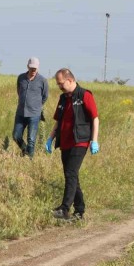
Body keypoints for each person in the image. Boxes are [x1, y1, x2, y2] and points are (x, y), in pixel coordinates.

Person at [45, 68, 99, 221]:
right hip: (65, 142)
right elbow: (58, 121)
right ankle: (79, 211)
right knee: (72, 175)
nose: (59, 86)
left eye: (61, 83)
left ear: (69, 80)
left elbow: (95, 118)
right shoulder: (63, 99)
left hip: (80, 141)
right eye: (58, 84)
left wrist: (94, 140)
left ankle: (64, 208)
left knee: (70, 174)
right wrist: (50, 138)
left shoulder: (84, 95)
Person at [13, 57, 48, 158]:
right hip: (20, 113)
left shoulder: (43, 80)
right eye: (31, 68)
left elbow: (45, 96)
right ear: (27, 66)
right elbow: (19, 92)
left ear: (38, 68)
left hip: (34, 114)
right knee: (16, 136)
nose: (33, 70)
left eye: (35, 69)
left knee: (31, 140)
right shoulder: (21, 78)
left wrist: (36, 105)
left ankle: (29, 160)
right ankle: (25, 150)